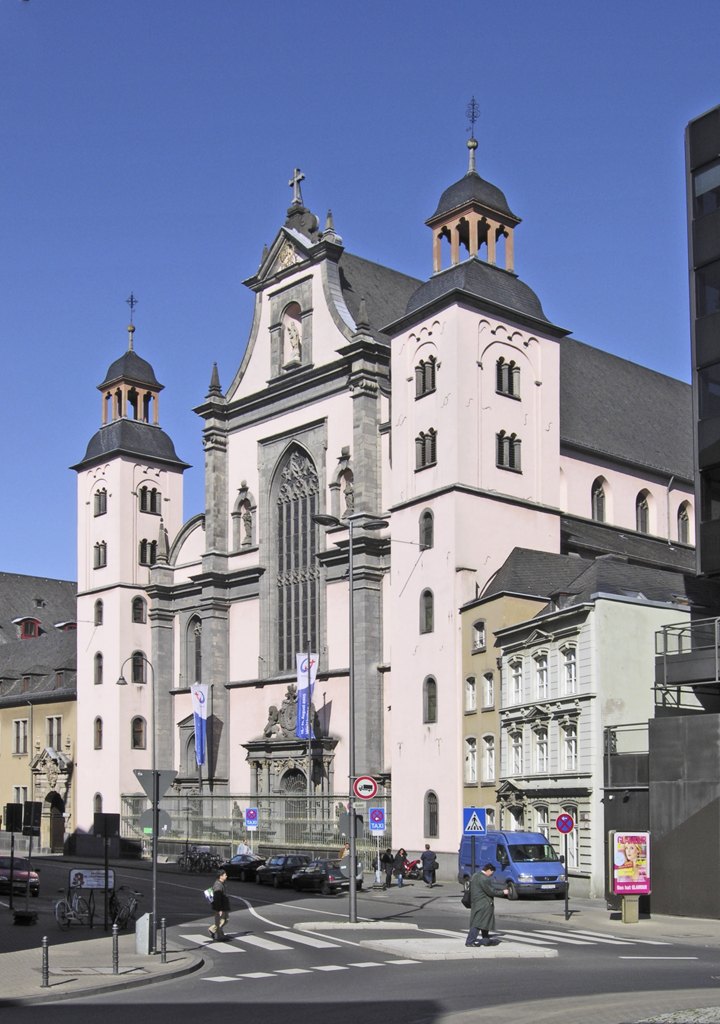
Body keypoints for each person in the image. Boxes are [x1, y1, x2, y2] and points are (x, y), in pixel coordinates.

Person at [465, 863, 509, 947]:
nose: (492, 874)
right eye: (492, 872)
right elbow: (491, 891)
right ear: (488, 870)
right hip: (484, 904)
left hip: (476, 903)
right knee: (478, 923)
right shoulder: (484, 879)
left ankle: (485, 940)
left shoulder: (475, 875)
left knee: (485, 922)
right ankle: (470, 941)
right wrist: (503, 892)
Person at [208, 870, 230, 942]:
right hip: (220, 907)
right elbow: (217, 898)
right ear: (221, 876)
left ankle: (213, 930)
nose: (226, 876)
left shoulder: (221, 883)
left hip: (223, 906)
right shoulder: (218, 885)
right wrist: (219, 909)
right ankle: (219, 936)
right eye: (225, 875)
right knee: (221, 921)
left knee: (224, 920)